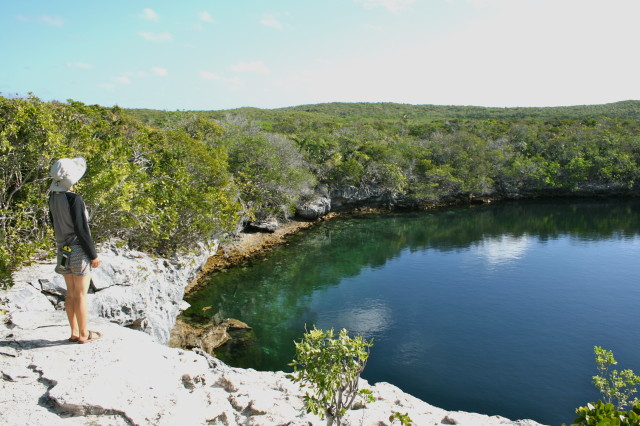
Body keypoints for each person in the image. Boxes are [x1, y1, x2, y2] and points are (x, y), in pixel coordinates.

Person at [48, 157, 103, 344]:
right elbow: (82, 229)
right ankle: (84, 334)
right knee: (81, 294)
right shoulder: (74, 199)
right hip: (78, 250)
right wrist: (93, 255)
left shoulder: (53, 198)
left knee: (70, 293)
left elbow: (53, 223)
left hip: (61, 250)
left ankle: (74, 331)